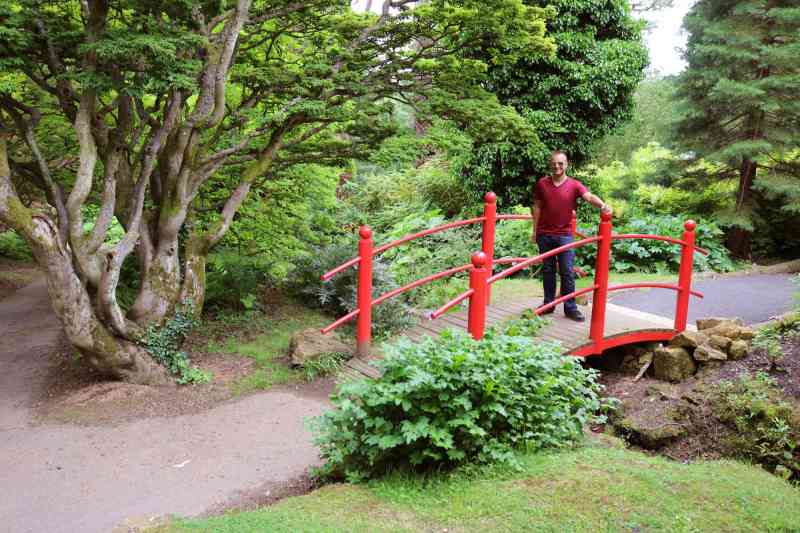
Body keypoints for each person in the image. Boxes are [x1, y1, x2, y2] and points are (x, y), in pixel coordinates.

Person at [531, 151, 612, 322]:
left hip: (565, 236)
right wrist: (534, 230)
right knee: (548, 271)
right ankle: (548, 304)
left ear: (566, 165)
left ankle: (570, 308)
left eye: (561, 163)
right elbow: (537, 207)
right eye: (554, 163)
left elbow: (588, 196)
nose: (557, 166)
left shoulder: (574, 185)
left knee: (567, 272)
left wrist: (603, 205)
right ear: (550, 164)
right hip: (545, 234)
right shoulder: (542, 184)